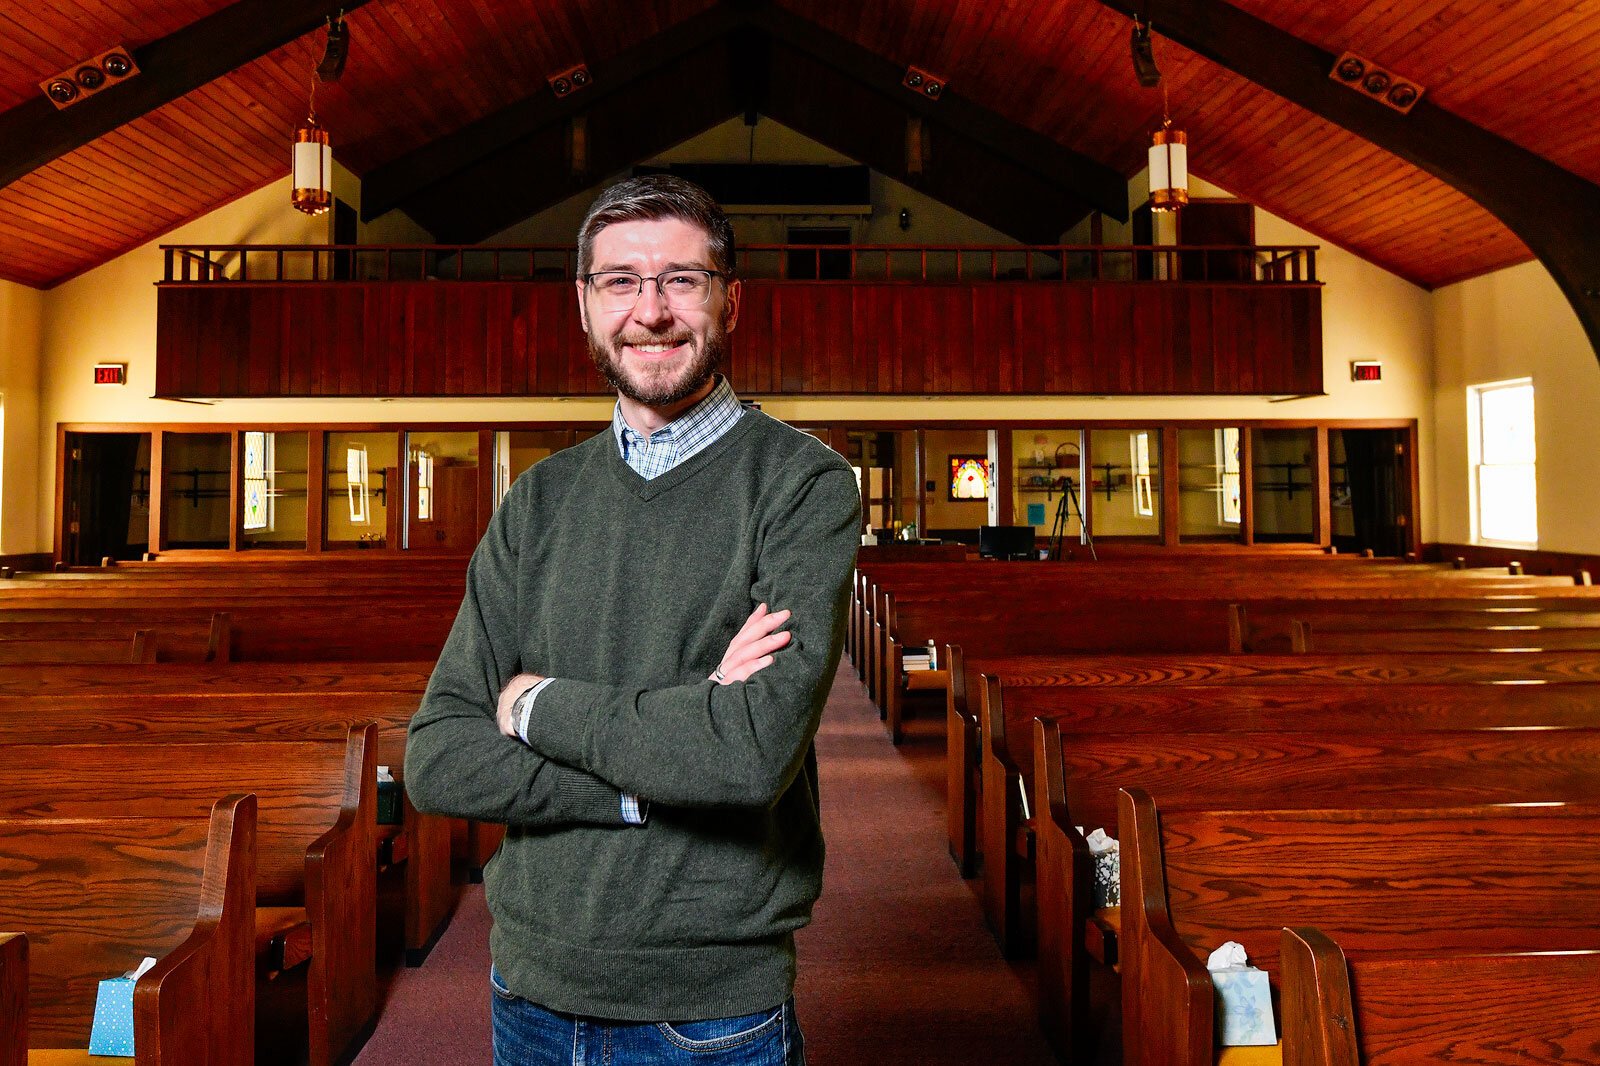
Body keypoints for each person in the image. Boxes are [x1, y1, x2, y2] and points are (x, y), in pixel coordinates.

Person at [405, 174, 861, 1066]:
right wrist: (648, 768)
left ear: (731, 299)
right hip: (528, 986)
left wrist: (536, 708)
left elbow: (747, 756)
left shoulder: (802, 486)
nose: (649, 312)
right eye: (621, 281)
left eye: (681, 280)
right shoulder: (536, 502)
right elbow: (439, 758)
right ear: (583, 304)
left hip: (709, 1012)